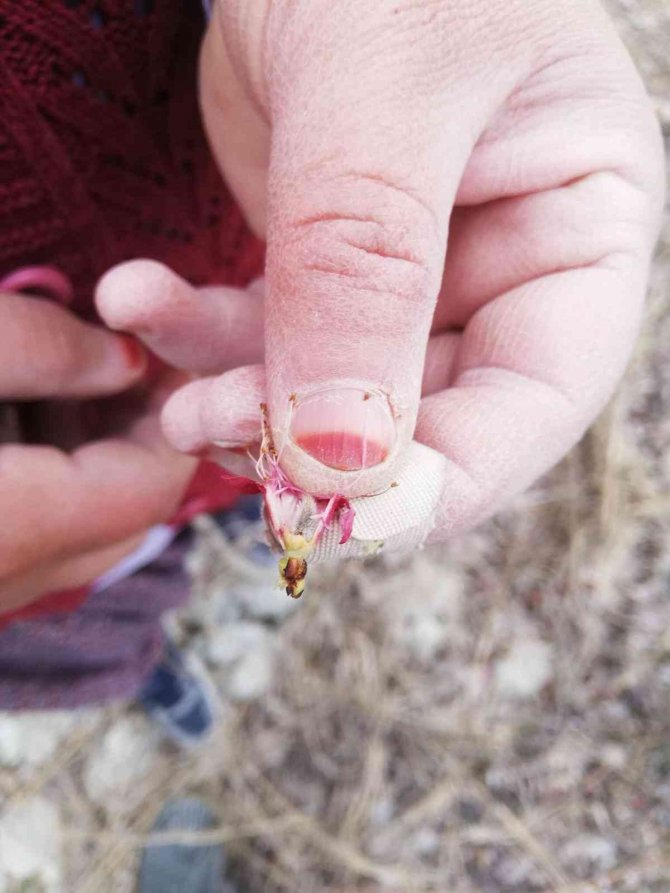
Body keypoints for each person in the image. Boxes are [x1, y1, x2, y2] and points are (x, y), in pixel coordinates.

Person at [0, 0, 663, 778]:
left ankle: (199, 555)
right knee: (76, 603)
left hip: (235, 223)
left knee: (218, 459)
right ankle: (134, 657)